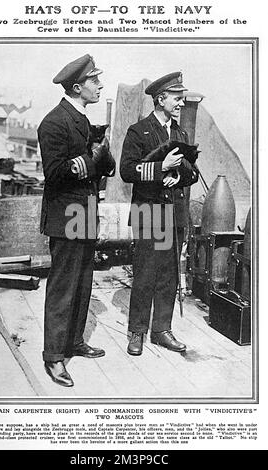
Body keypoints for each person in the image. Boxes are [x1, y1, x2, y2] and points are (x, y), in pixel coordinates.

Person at [38, 54, 115, 387]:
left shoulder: (82, 119)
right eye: (94, 81)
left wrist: (104, 157)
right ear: (77, 86)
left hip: (83, 211)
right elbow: (54, 174)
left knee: (83, 282)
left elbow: (99, 166)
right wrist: (90, 157)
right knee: (63, 287)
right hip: (67, 212)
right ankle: (54, 357)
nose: (99, 85)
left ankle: (73, 342)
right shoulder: (54, 122)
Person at [120, 71, 199, 356]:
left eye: (181, 98)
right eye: (176, 98)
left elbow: (192, 171)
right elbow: (127, 171)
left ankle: (162, 330)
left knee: (168, 273)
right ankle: (137, 331)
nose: (180, 103)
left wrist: (178, 176)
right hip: (147, 213)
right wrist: (161, 168)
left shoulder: (181, 133)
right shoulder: (137, 131)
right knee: (145, 273)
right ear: (160, 99)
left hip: (173, 215)